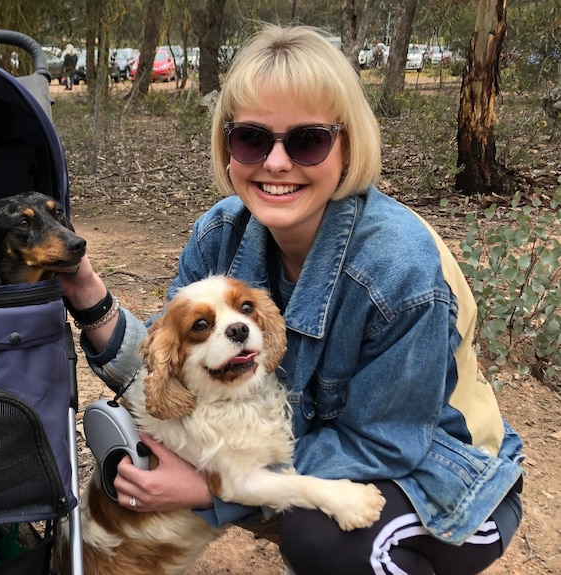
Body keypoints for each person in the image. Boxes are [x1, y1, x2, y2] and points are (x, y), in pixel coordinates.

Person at [59, 23, 524, 575]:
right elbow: (170, 366)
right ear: (228, 146)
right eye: (252, 138)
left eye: (307, 139)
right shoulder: (219, 236)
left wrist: (215, 490)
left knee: (320, 533)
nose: (276, 163)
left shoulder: (400, 269)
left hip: (443, 479)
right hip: (291, 461)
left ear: (347, 144)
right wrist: (90, 295)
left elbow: (388, 447)